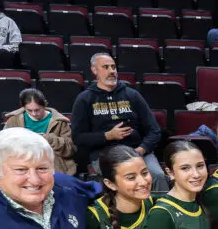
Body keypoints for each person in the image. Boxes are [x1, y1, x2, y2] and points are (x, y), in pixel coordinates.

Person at [71, 53, 166, 194]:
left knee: (157, 176)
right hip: (106, 155)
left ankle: (158, 212)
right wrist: (107, 136)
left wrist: (141, 149)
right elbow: (78, 137)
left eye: (113, 67)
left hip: (138, 151)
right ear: (94, 70)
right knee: (123, 179)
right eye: (106, 67)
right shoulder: (85, 99)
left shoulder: (132, 95)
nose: (112, 71)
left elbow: (154, 130)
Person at [4, 89, 76, 176]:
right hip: (23, 165)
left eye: (37, 110)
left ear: (44, 105)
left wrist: (49, 139)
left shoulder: (59, 122)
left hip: (52, 166)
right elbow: (4, 145)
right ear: (23, 107)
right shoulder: (14, 120)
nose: (34, 114)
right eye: (29, 110)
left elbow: (70, 149)